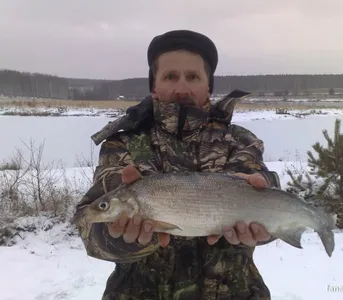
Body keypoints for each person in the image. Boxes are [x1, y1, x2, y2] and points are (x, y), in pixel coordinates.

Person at [74, 29, 281, 300]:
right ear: (154, 86)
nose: (182, 88)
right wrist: (120, 239)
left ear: (208, 85)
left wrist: (263, 228)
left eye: (193, 77)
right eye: (170, 76)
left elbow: (269, 205)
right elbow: (90, 229)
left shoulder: (240, 141)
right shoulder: (121, 145)